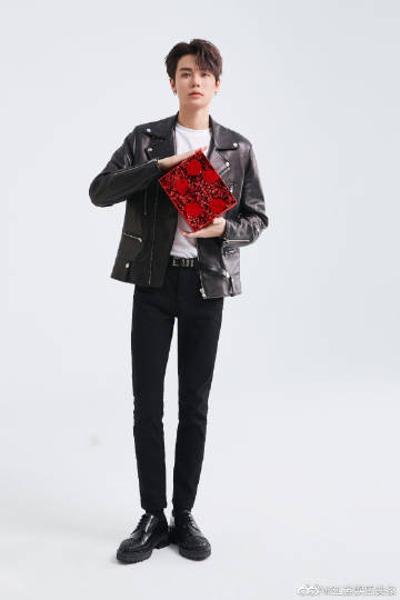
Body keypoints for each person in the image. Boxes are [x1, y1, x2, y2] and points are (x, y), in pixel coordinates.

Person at [89, 38, 269, 563]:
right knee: (147, 404)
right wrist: (160, 166)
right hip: (153, 283)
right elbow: (100, 191)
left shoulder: (237, 148)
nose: (195, 81)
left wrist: (223, 228)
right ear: (172, 82)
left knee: (194, 405)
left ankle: (184, 514)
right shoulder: (146, 139)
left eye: (204, 74)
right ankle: (153, 515)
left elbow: (257, 218)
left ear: (217, 84)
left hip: (205, 288)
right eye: (186, 72)